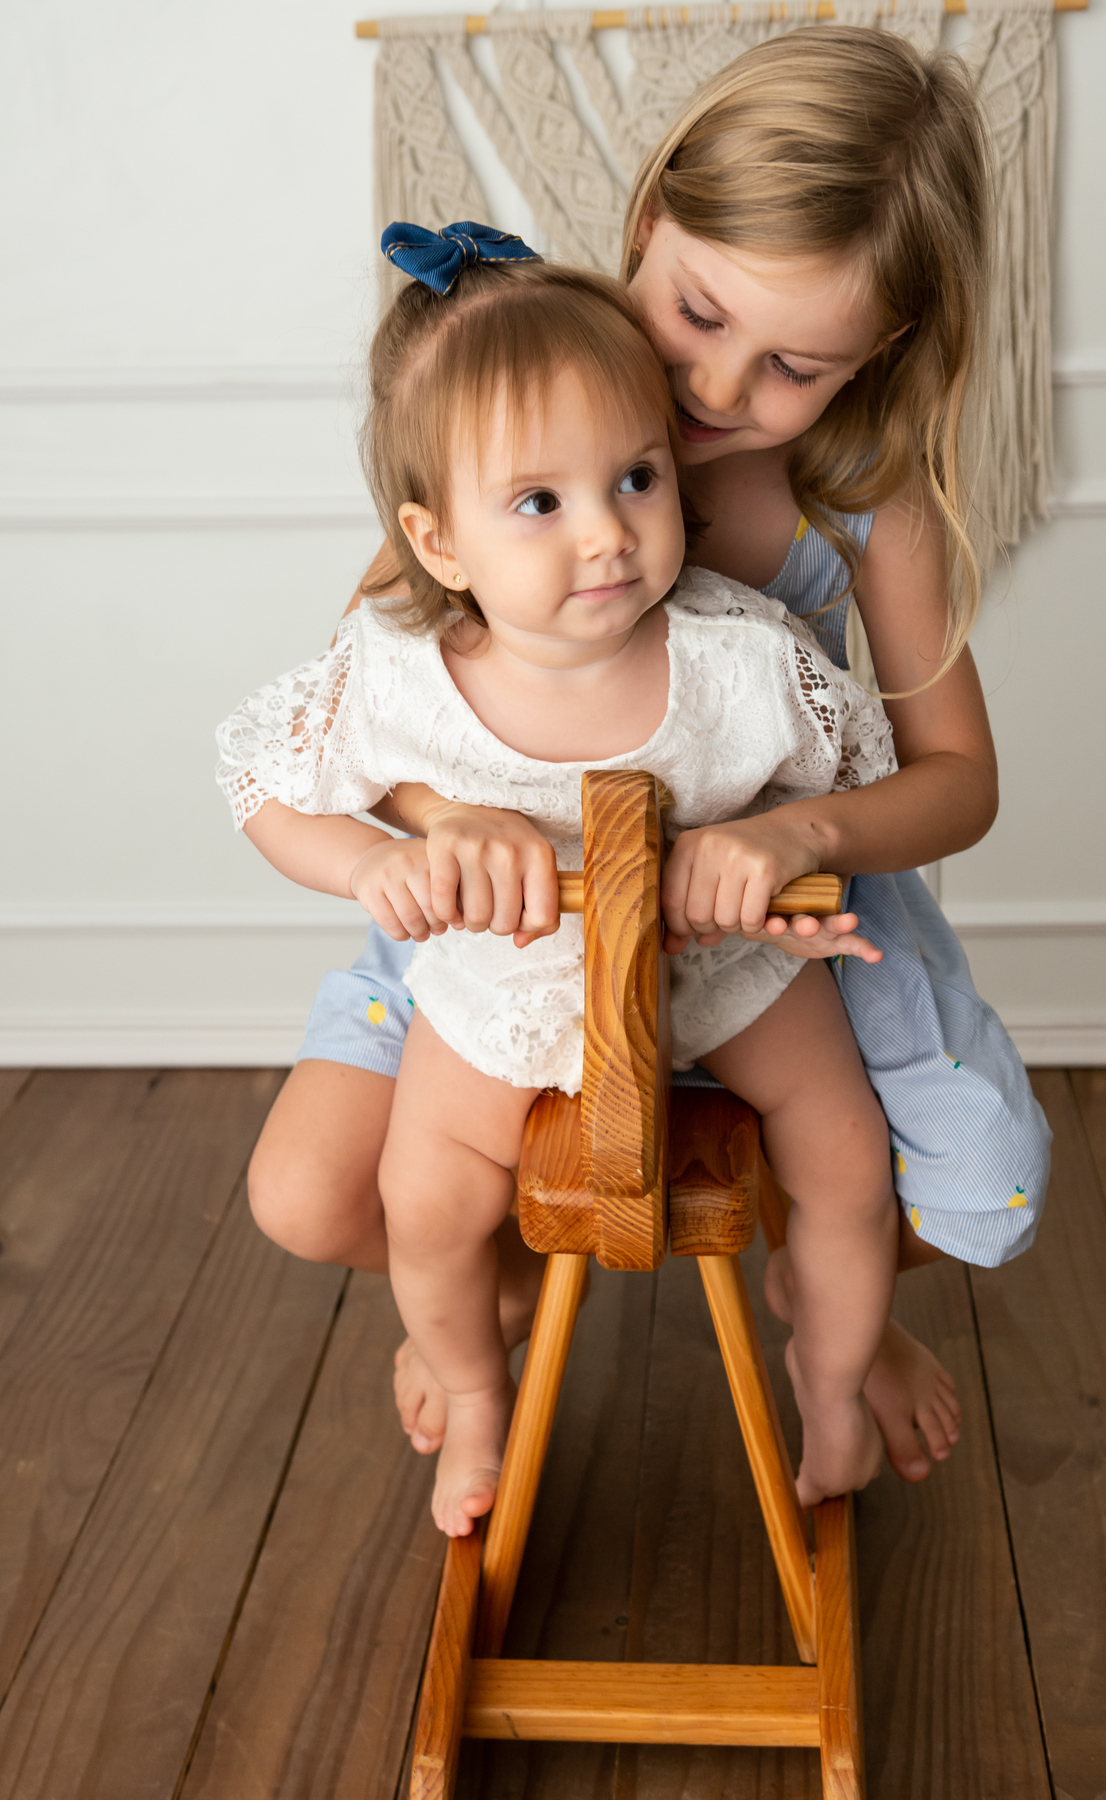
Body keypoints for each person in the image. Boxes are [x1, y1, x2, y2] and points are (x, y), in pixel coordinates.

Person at [245, 27, 1050, 1493]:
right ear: (646, 222)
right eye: (694, 311)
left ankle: (837, 1312)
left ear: (878, 357)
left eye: (793, 364)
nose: (716, 388)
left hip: (765, 898)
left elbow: (956, 778)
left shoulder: (866, 508)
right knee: (308, 1195)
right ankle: (467, 1301)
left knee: (977, 1179)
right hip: (507, 902)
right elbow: (369, 705)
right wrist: (453, 831)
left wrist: (803, 844)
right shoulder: (527, 387)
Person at [218, 238, 907, 1534]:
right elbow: (260, 778)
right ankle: (474, 1389)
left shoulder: (738, 660)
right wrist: (379, 859)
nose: (606, 534)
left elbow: (868, 776)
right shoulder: (402, 674)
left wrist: (788, 847)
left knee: (846, 1156)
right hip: (504, 991)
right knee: (425, 1201)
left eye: (637, 478)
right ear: (440, 541)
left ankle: (834, 1378)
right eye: (539, 503)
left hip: (721, 971)